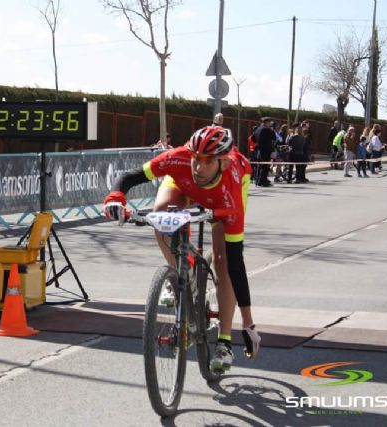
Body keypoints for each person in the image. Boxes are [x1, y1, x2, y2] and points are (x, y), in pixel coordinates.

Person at [102, 125, 261, 372]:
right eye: (195, 159)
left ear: (223, 163)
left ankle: (224, 342)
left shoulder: (232, 179)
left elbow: (238, 265)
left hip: (223, 199)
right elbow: (129, 177)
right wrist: (115, 198)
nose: (198, 167)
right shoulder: (178, 158)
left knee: (224, 260)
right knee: (161, 217)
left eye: (206, 162)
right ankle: (181, 273)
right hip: (182, 187)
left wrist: (249, 324)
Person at [254, 117, 275, 187]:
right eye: (269, 122)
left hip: (258, 150)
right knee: (265, 166)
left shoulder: (257, 129)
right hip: (265, 150)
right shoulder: (267, 130)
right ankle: (263, 181)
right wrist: (272, 130)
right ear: (267, 122)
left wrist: (258, 142)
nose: (270, 124)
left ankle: (258, 181)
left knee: (259, 166)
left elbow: (252, 138)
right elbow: (274, 137)